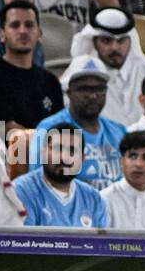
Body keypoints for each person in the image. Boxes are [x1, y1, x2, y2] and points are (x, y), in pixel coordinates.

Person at [29, 56, 127, 191]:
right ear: (69, 93)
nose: (93, 96)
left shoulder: (119, 131)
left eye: (99, 89)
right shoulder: (49, 129)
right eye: (84, 89)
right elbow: (38, 184)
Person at [0, 1, 65, 134]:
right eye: (15, 25)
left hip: (50, 151)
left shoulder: (51, 81)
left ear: (39, 33)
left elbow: (61, 128)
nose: (23, 31)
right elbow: (6, 129)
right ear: (2, 34)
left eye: (29, 25)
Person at [15, 123, 111, 228]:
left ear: (82, 158)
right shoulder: (21, 191)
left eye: (72, 151)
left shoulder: (93, 198)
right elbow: (23, 242)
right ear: (43, 153)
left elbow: (100, 243)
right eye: (57, 149)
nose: (64, 157)